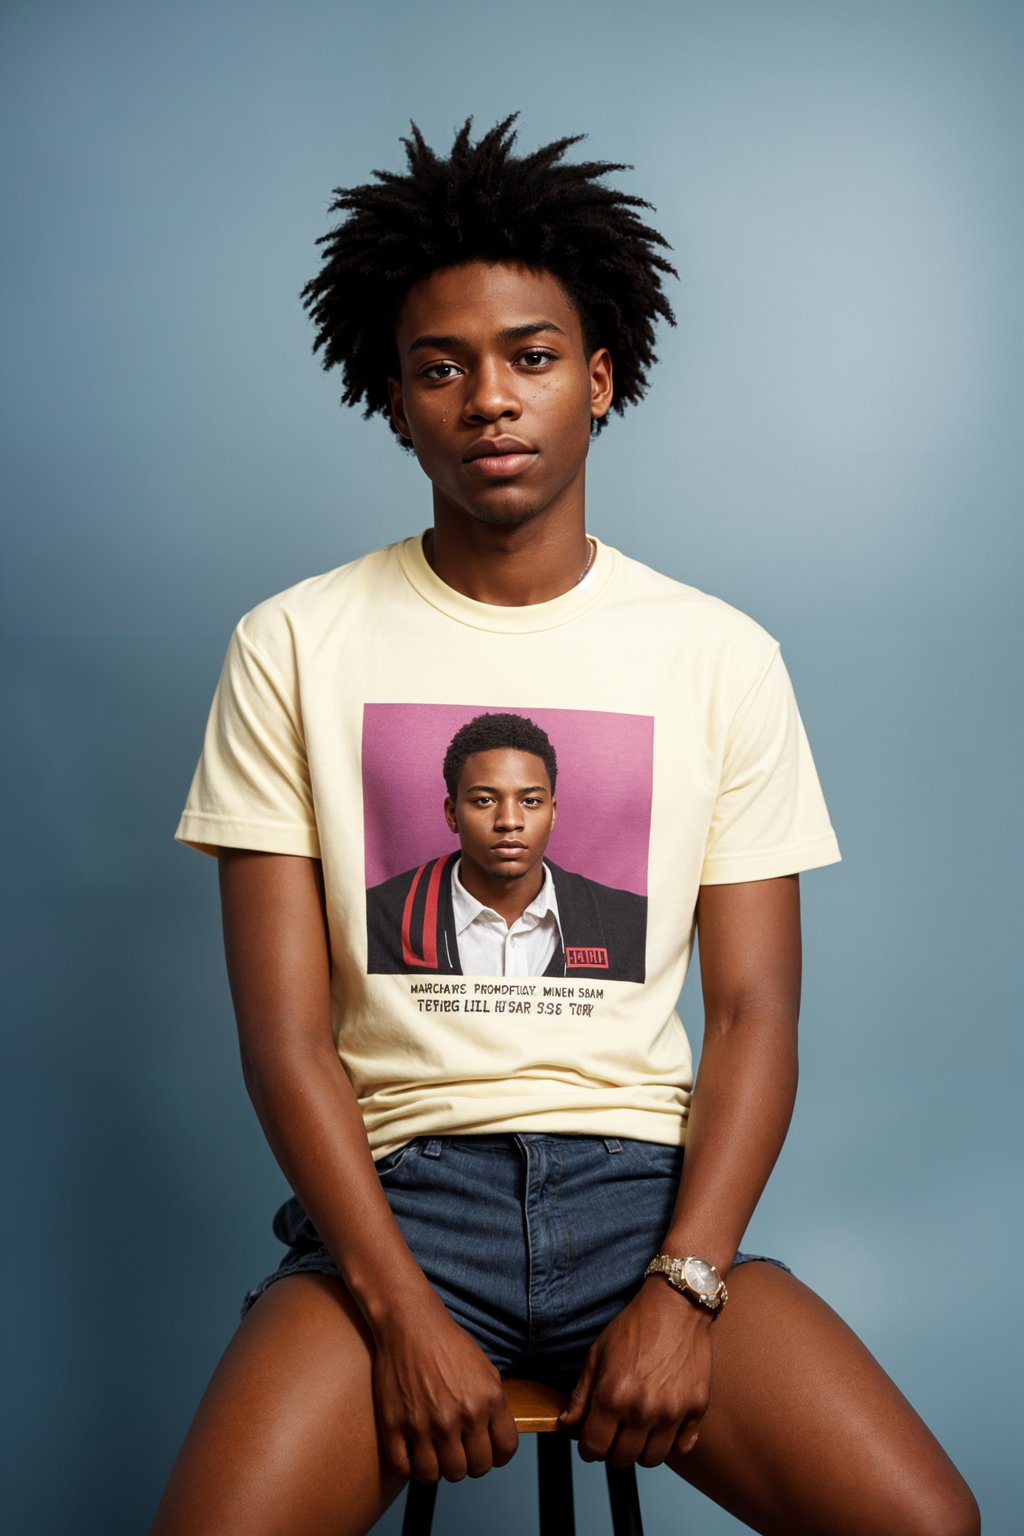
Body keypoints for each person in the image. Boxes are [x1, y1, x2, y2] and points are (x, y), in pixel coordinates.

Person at [154, 117, 978, 1534]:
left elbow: (757, 1018)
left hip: (643, 1208)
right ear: (394, 398)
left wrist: (687, 1283)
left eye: (531, 357)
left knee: (926, 1522)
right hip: (398, 1204)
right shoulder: (291, 642)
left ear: (599, 382)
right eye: (442, 366)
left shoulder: (718, 655)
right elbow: (285, 1040)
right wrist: (399, 1309)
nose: (489, 398)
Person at [366, 710, 648, 980]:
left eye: (531, 801)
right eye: (484, 800)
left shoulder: (629, 922)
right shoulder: (376, 917)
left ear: (552, 813)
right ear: (452, 814)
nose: (509, 821)